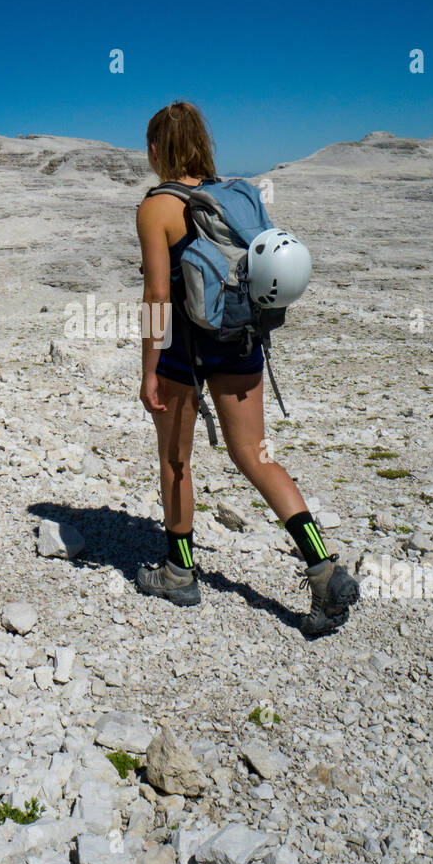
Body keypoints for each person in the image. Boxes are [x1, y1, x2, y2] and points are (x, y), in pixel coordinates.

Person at [135, 100, 360, 637]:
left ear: (155, 150)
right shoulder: (237, 196)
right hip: (240, 342)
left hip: (181, 353)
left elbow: (157, 296)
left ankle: (178, 571)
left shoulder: (157, 208)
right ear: (203, 145)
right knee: (256, 457)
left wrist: (147, 371)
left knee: (176, 459)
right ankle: (323, 570)